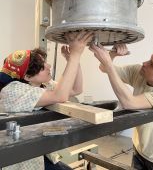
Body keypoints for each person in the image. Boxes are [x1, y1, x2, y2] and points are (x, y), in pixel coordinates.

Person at [0, 31, 93, 170]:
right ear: (27, 77)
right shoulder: (11, 91)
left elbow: (75, 89)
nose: (49, 66)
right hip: (20, 159)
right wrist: (75, 55)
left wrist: (73, 60)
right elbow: (60, 96)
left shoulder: (42, 85)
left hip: (40, 151)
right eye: (42, 67)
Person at [89, 43, 153, 170]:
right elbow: (105, 68)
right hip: (139, 150)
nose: (144, 63)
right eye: (149, 59)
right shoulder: (139, 72)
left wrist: (108, 63)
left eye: (151, 64)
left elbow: (129, 102)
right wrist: (112, 55)